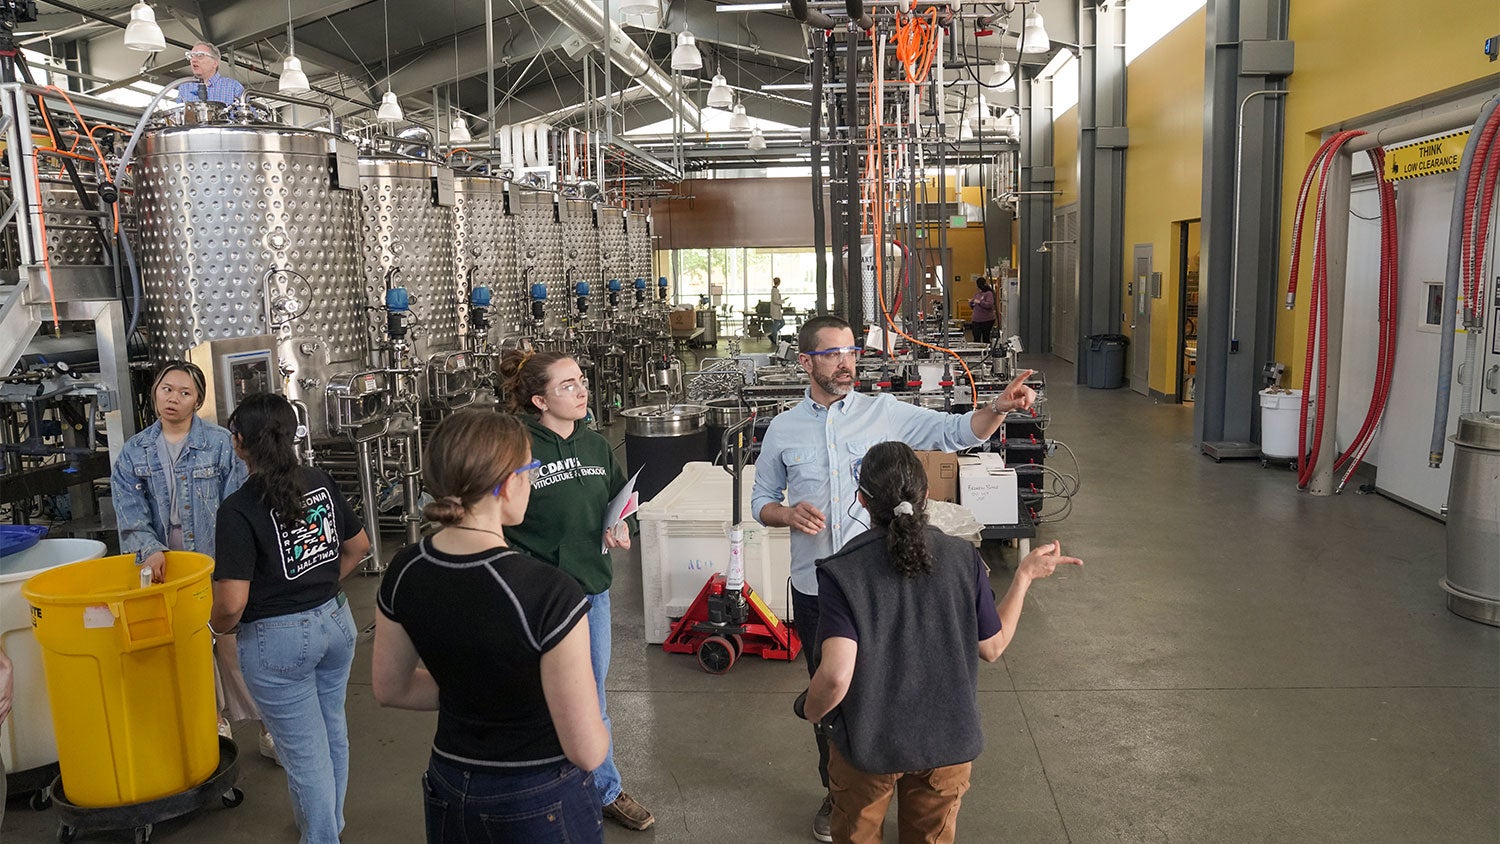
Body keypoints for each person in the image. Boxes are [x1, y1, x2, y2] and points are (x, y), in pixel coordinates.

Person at [751, 313, 1036, 843]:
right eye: (833, 353)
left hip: (889, 584)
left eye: (851, 351)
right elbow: (760, 500)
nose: (846, 362)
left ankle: (908, 781)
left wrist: (996, 408)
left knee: (900, 688)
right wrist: (786, 515)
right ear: (805, 362)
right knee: (834, 702)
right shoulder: (784, 429)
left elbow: (955, 432)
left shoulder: (885, 412)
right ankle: (839, 789)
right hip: (820, 590)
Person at [794, 441, 1081, 844]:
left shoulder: (843, 571)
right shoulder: (962, 558)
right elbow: (993, 647)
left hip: (867, 743)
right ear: (926, 494)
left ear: (861, 500)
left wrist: (810, 709)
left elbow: (837, 676)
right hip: (947, 745)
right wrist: (1024, 578)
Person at [372, 410, 610, 843]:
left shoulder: (406, 569)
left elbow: (392, 688)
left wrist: (473, 693)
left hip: (448, 782)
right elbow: (588, 750)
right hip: (536, 794)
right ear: (505, 483)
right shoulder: (549, 591)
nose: (534, 481)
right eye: (530, 469)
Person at [498, 349, 655, 831]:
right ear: (540, 399)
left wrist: (621, 525)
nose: (582, 390)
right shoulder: (515, 446)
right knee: (532, 696)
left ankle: (603, 789)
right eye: (568, 385)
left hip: (591, 590)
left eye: (582, 380)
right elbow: (491, 515)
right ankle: (540, 787)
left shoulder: (593, 445)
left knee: (591, 695)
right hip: (537, 597)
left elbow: (614, 498)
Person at [211, 393, 370, 844]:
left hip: (278, 641)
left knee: (304, 755)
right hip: (337, 623)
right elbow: (359, 548)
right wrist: (318, 586)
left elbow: (232, 601)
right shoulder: (319, 480)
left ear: (239, 443)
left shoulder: (238, 509)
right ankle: (328, 823)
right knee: (331, 730)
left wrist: (217, 628)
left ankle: (321, 838)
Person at [109, 361, 278, 763]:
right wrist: (150, 548)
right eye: (167, 389)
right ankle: (212, 721)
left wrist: (235, 560)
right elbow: (129, 508)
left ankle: (268, 725)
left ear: (198, 401)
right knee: (189, 646)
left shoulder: (221, 444)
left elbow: (238, 504)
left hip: (219, 559)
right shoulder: (135, 450)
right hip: (167, 567)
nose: (173, 399)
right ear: (154, 392)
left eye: (184, 393)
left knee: (235, 646)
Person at [178, 43, 246, 104]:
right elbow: (176, 116)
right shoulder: (184, 88)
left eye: (200, 55)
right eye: (191, 56)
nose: (193, 60)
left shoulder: (233, 87)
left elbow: (250, 115)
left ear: (215, 63)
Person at [968, 276, 996, 345]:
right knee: (976, 339)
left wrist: (980, 302)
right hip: (976, 320)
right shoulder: (977, 294)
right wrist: (971, 302)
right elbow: (973, 306)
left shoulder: (989, 293)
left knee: (986, 339)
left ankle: (987, 352)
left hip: (986, 320)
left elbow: (989, 305)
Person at [769, 276, 786, 345]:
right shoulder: (775, 290)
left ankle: (773, 334)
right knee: (776, 325)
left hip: (777, 311)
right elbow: (775, 300)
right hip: (776, 311)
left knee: (782, 323)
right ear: (779, 283)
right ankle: (773, 338)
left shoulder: (775, 290)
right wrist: (782, 301)